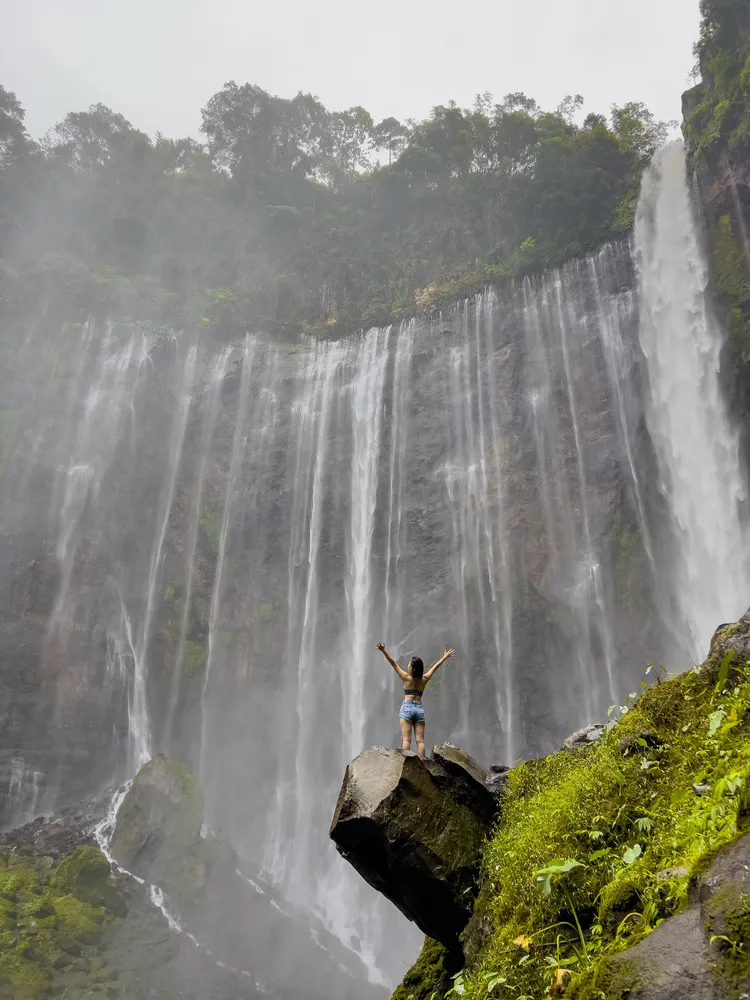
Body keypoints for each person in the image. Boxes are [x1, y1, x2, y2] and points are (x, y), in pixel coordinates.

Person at [375, 642, 455, 758]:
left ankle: (406, 763)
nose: (407, 666)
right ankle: (422, 762)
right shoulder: (424, 679)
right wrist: (444, 657)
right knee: (420, 741)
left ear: (412, 668)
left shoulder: (406, 678)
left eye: (409, 664)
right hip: (419, 709)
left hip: (407, 708)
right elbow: (435, 667)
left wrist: (383, 651)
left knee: (406, 740)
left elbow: (393, 663)